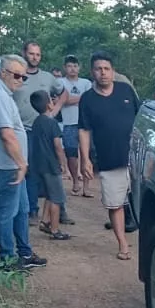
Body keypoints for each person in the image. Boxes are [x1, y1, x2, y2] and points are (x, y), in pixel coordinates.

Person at [0, 54, 46, 270]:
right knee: (7, 212)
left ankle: (24, 253)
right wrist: (21, 163)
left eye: (24, 77)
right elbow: (7, 134)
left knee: (22, 209)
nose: (20, 81)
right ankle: (7, 258)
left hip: (13, 165)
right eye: (17, 76)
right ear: (3, 72)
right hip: (6, 165)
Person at [77, 51, 140, 261]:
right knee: (115, 204)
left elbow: (141, 120)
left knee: (143, 201)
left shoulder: (126, 91)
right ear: (92, 72)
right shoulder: (87, 99)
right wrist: (85, 159)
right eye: (98, 69)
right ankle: (123, 243)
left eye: (106, 69)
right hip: (109, 160)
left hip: (136, 159)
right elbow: (84, 130)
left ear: (113, 71)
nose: (103, 73)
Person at [27, 90, 70, 242]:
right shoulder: (52, 123)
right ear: (49, 104)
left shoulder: (37, 121)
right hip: (51, 165)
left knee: (49, 195)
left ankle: (45, 221)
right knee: (57, 198)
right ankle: (55, 229)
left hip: (40, 164)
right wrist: (63, 164)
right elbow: (58, 146)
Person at [57, 55, 92, 201]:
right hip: (68, 122)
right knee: (71, 154)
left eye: (75, 66)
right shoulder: (60, 83)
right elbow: (61, 101)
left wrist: (69, 99)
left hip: (85, 123)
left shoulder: (86, 83)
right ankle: (75, 182)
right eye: (70, 66)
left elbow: (90, 101)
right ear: (65, 67)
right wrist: (80, 98)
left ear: (79, 67)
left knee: (86, 155)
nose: (73, 69)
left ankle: (86, 186)